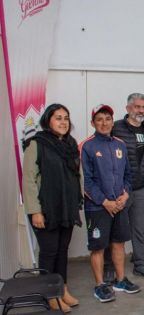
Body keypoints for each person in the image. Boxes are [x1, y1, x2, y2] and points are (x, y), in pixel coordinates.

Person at [23, 104, 82, 312]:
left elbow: (76, 175)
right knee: (49, 252)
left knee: (62, 251)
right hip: (45, 209)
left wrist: (77, 201)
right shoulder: (36, 144)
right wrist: (35, 211)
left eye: (66, 117)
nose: (63, 121)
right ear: (48, 120)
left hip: (66, 208)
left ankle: (61, 289)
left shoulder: (70, 144)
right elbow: (29, 180)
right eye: (58, 117)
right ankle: (49, 295)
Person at [81, 104, 140, 303]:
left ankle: (120, 280)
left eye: (107, 118)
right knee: (98, 247)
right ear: (93, 123)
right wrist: (104, 201)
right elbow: (86, 181)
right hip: (98, 207)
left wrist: (124, 196)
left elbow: (127, 176)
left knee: (118, 243)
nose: (104, 123)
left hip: (119, 205)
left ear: (112, 121)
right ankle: (99, 285)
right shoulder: (87, 146)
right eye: (99, 119)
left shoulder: (120, 144)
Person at [104, 93, 144, 280]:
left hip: (141, 187)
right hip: (120, 190)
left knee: (138, 228)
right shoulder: (116, 128)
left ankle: (140, 263)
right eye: (137, 107)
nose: (141, 110)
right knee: (116, 229)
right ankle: (109, 266)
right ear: (128, 109)